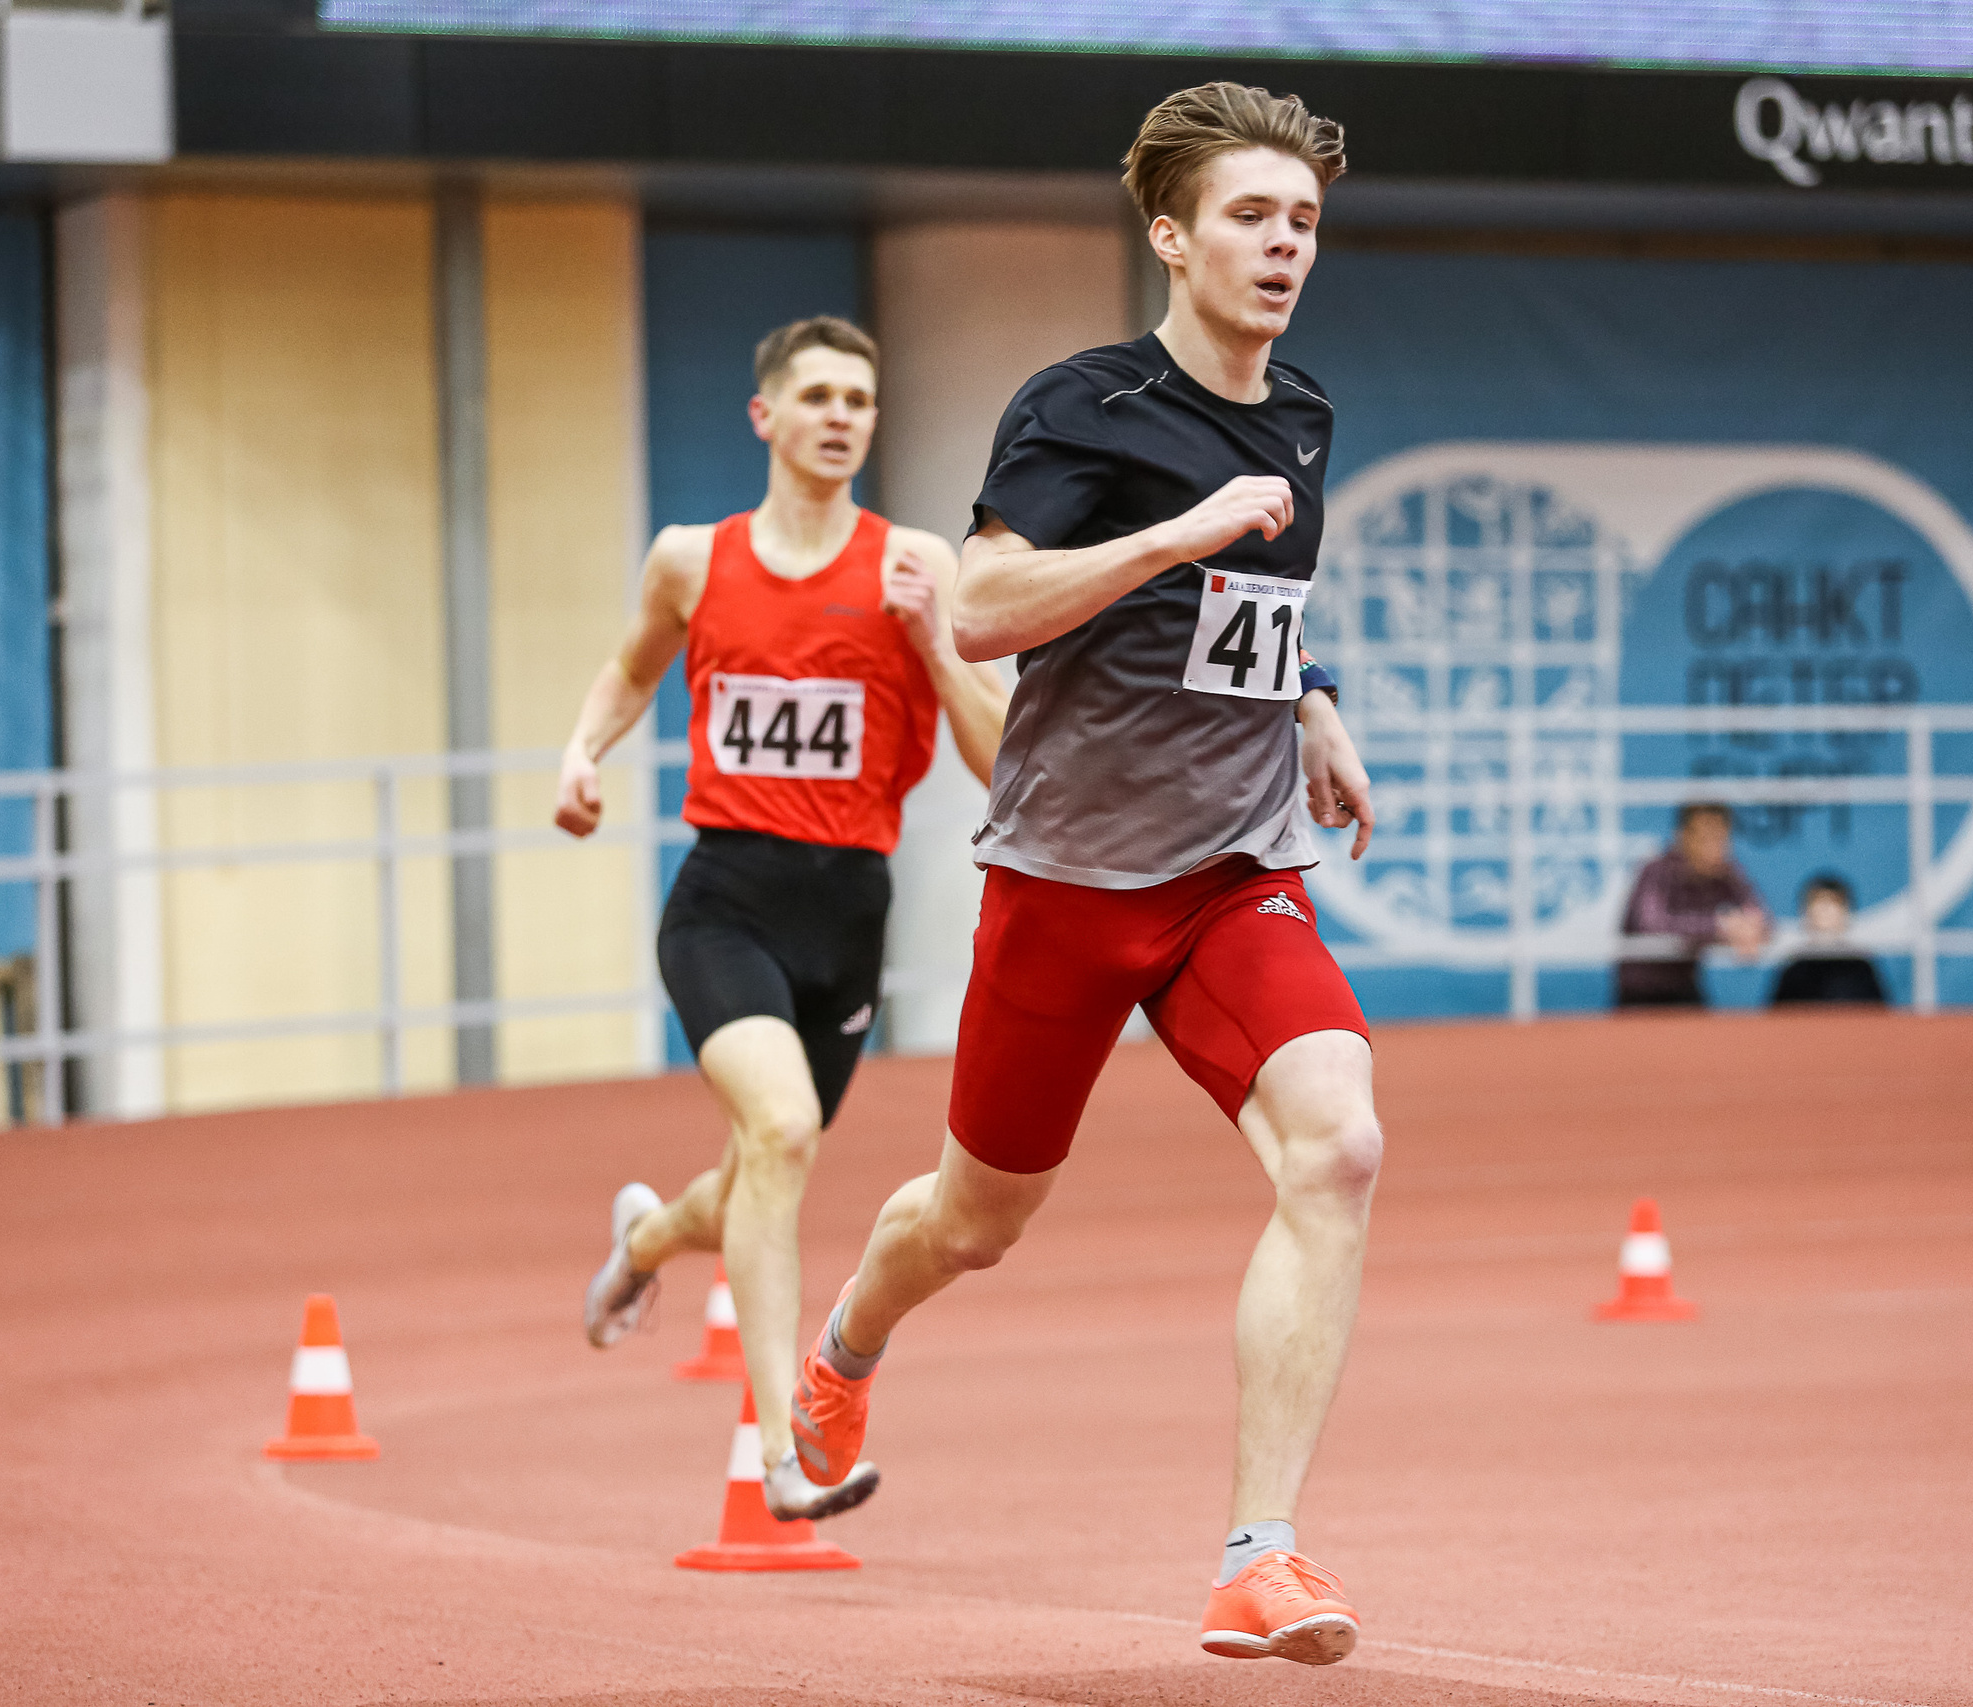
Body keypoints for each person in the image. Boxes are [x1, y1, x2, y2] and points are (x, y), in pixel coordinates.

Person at [783, 84, 1384, 1667]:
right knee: (979, 1217)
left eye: (1305, 221)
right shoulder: (1083, 408)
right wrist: (1169, 535)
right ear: (1171, 237)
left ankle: (1260, 1555)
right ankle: (848, 1338)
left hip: (1235, 869)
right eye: (1253, 216)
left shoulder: (1306, 414)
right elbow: (982, 607)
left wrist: (1317, 709)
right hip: (1067, 881)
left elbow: (1269, 607)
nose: (1284, 245)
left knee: (1339, 1146)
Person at [554, 315, 1009, 1524]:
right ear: (765, 416)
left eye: (858, 398)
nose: (839, 415)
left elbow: (996, 754)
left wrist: (926, 635)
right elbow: (631, 668)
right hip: (724, 903)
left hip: (847, 914)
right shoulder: (691, 560)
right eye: (814, 395)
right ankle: (780, 1456)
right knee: (787, 1127)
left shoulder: (917, 564)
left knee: (766, 1160)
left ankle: (649, 1237)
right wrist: (581, 752)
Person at [1614, 802, 1772, 1007]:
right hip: (1641, 994)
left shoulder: (1728, 872)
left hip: (1685, 989)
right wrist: (1720, 927)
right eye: (1704, 838)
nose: (1713, 848)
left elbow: (1762, 917)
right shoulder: (1656, 871)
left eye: (1720, 838)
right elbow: (1652, 924)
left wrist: (1749, 927)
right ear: (1682, 837)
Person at [1769, 872, 1888, 1006]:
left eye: (1833, 902)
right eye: (1817, 902)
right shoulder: (1793, 967)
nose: (1824, 910)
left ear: (1846, 911)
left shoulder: (1861, 966)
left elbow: (1879, 1017)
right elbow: (1778, 1018)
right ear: (1805, 911)